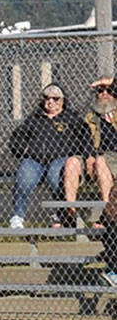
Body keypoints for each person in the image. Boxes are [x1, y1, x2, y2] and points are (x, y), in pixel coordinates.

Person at [8, 83, 88, 228]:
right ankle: (18, 216)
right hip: (35, 160)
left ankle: (59, 213)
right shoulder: (35, 118)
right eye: (47, 98)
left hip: (60, 158)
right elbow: (16, 139)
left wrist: (80, 155)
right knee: (25, 177)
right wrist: (22, 151)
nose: (50, 102)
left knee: (55, 175)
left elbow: (85, 137)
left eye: (55, 99)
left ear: (63, 100)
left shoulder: (72, 118)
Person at [74, 76, 117, 216]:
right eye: (100, 91)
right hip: (99, 157)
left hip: (113, 156)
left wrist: (108, 81)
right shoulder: (90, 117)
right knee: (72, 163)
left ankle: (108, 212)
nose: (104, 94)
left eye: (109, 90)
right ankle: (70, 215)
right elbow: (86, 140)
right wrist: (88, 156)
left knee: (101, 161)